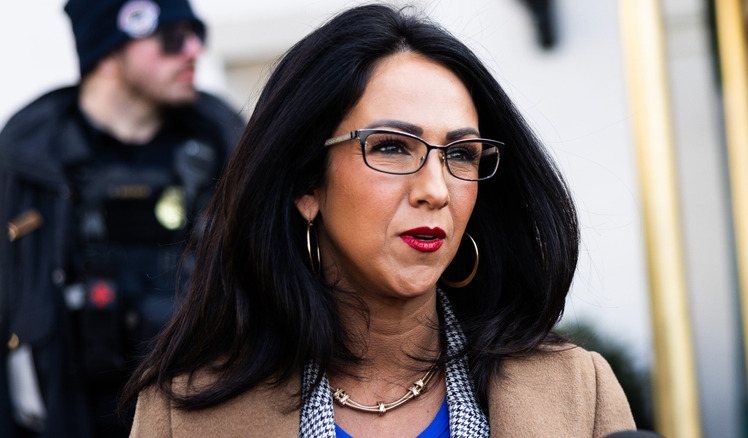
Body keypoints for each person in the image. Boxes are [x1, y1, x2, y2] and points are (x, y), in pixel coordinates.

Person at [124, 4, 635, 437]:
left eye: (461, 154)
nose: (436, 191)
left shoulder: (578, 393)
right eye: (391, 147)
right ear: (306, 184)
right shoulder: (182, 413)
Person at [0, 0, 244, 436]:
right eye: (171, 38)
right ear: (108, 53)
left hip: (204, 418)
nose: (192, 50)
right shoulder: (26, 168)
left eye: (196, 35)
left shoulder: (230, 151)